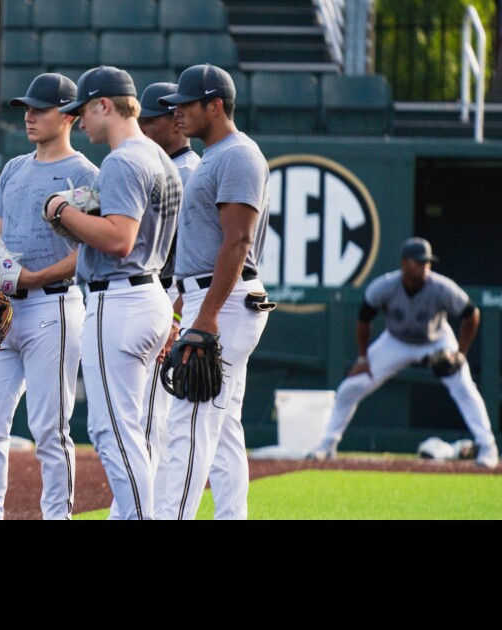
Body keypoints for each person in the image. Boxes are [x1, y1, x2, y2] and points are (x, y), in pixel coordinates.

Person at [46, 66, 181, 520]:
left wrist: (62, 210)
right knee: (135, 432)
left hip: (120, 298)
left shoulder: (123, 159)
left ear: (105, 104)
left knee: (112, 431)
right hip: (150, 293)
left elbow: (119, 239)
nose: (79, 121)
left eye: (82, 110)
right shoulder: (161, 156)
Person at [0, 73, 97, 520]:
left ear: (68, 116)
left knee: (49, 428)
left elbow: (89, 252)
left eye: (40, 108)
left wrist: (34, 276)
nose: (29, 115)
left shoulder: (85, 174)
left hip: (53, 305)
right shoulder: (15, 168)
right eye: (27, 107)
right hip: (6, 308)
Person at [153, 64, 272, 521]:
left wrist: (206, 317)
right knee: (221, 430)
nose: (177, 113)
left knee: (189, 422)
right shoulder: (219, 154)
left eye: (186, 104)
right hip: (212, 296)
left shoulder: (238, 156)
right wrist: (187, 306)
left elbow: (238, 242)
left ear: (215, 105)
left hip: (225, 301)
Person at [308, 237, 498, 469]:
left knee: (464, 387)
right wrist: (363, 358)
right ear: (405, 263)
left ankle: (487, 446)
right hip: (396, 341)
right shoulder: (384, 286)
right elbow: (363, 321)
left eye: (428, 262)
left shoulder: (441, 286)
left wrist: (460, 353)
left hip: (436, 340)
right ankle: (327, 444)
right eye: (420, 262)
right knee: (350, 387)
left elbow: (472, 313)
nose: (425, 266)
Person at [135, 81, 201, 503]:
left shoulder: (188, 171)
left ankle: (148, 510)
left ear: (176, 122)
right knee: (145, 420)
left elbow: (188, 255)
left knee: (150, 420)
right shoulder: (161, 166)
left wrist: (176, 315)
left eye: (150, 119)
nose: (141, 126)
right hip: (154, 299)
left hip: (168, 298)